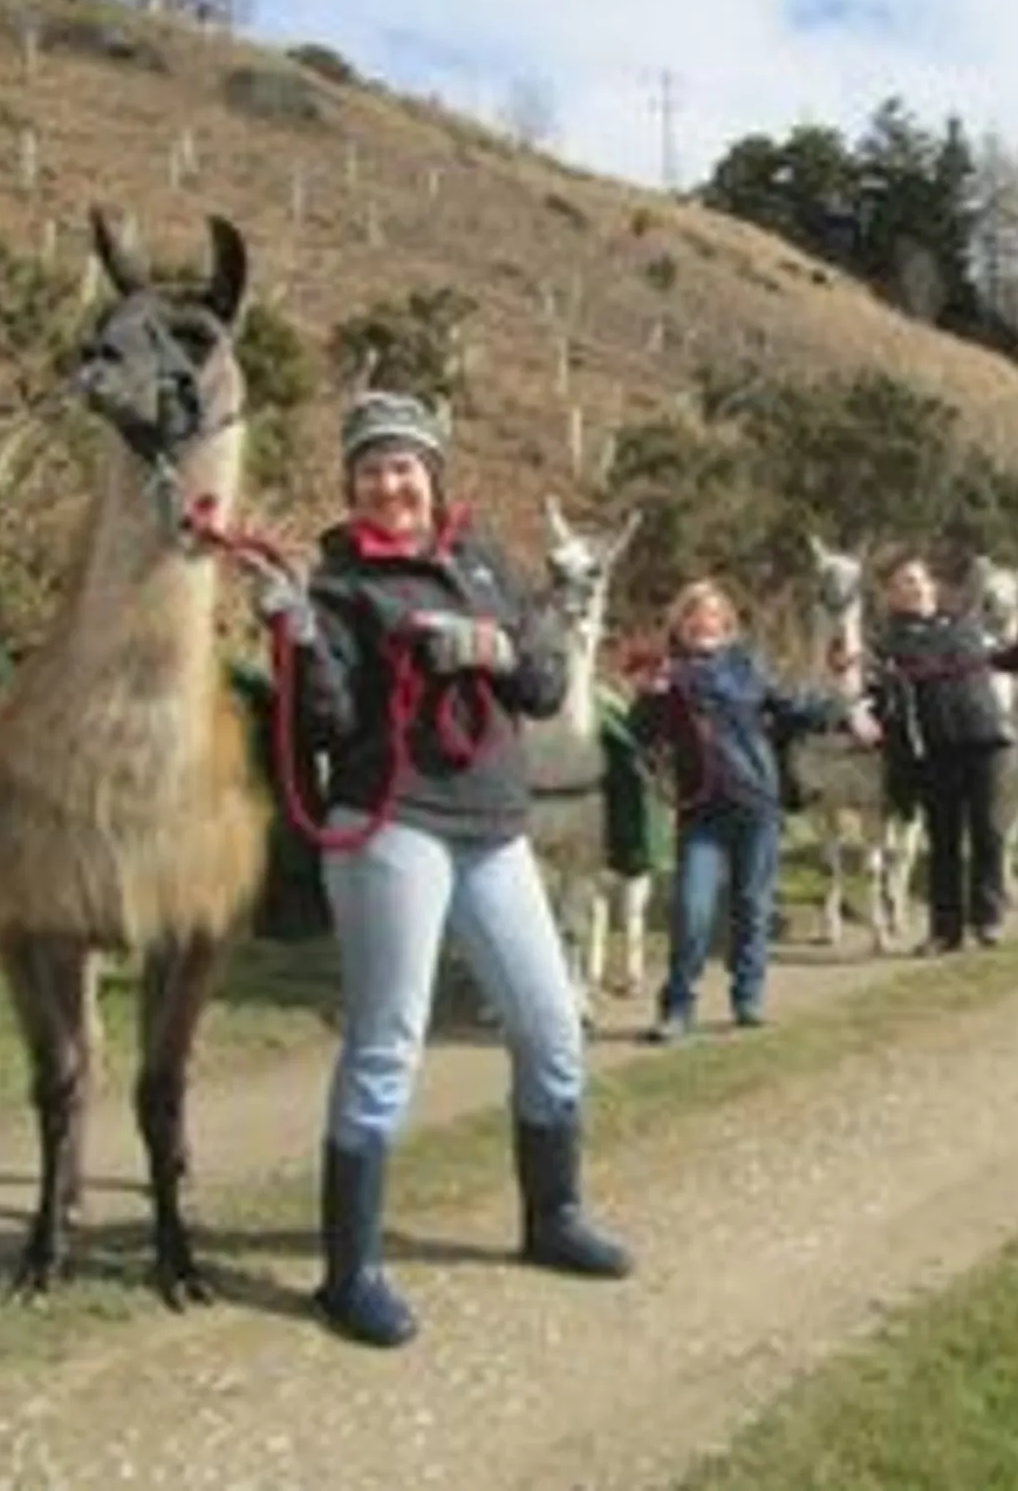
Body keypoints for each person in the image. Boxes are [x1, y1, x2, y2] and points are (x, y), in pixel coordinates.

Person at [246, 390, 631, 1351]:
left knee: (549, 1026)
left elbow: (543, 685)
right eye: (372, 469)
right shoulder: (337, 588)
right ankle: (350, 1273)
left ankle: (553, 1216)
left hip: (494, 828)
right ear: (353, 486)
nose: (391, 483)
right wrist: (295, 638)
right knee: (389, 1043)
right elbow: (326, 724)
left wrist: (498, 647)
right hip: (392, 827)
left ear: (433, 475)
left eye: (405, 465)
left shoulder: (484, 561)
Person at [628, 579, 879, 1043]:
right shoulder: (667, 674)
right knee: (692, 910)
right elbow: (641, 736)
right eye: (693, 617)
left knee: (752, 905)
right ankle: (677, 1007)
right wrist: (649, 696)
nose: (702, 624)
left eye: (711, 617)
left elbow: (794, 707)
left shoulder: (747, 666)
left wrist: (846, 713)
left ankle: (748, 997)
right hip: (699, 810)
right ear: (680, 626)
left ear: (726, 624)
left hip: (754, 803)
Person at [870, 556, 1018, 953]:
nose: (913, 588)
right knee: (943, 840)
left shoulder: (967, 624)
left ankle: (988, 918)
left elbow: (1006, 658)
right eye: (902, 584)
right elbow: (876, 689)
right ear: (892, 596)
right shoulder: (889, 642)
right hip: (933, 747)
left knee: (987, 832)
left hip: (983, 739)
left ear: (933, 585)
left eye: (918, 580)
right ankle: (945, 930)